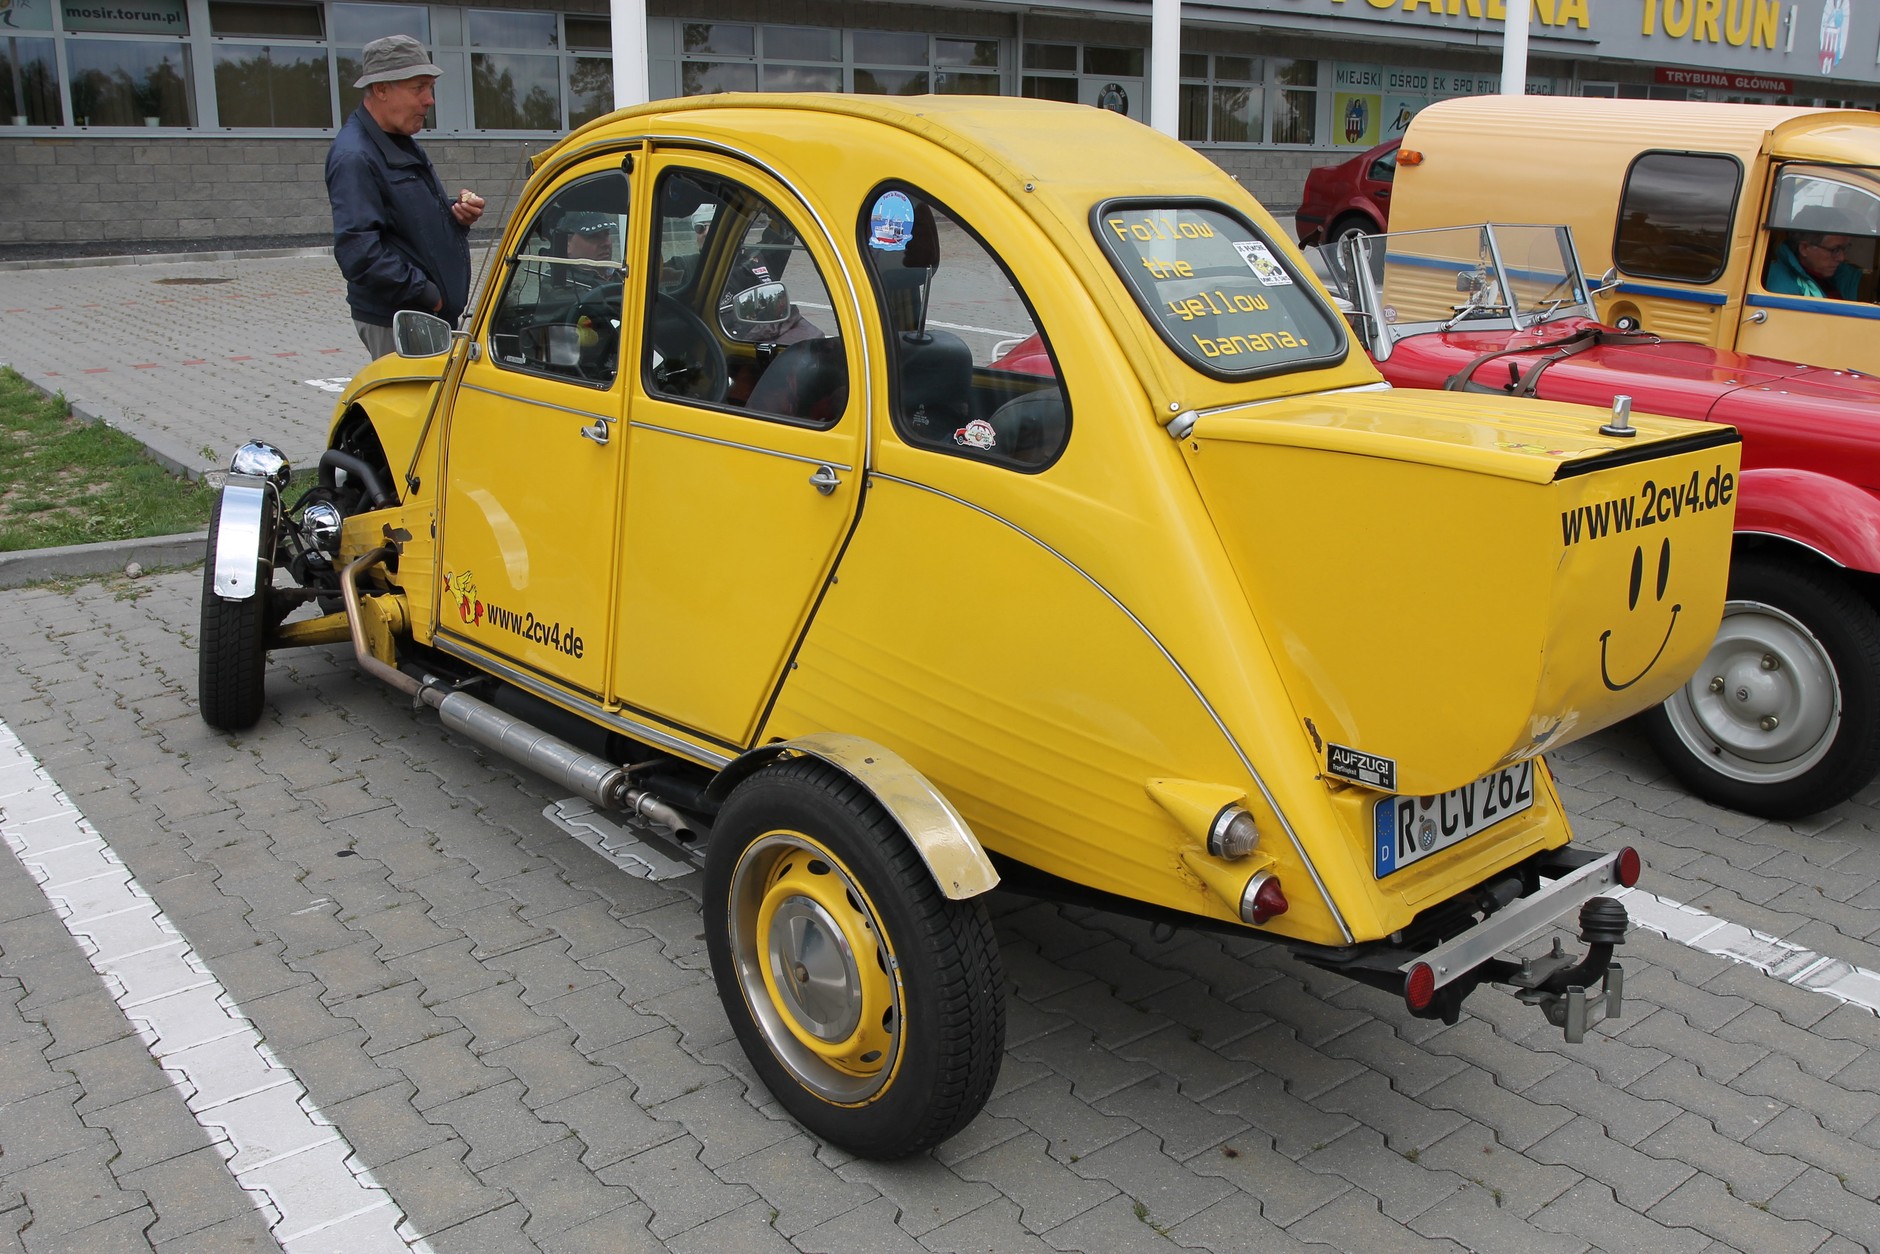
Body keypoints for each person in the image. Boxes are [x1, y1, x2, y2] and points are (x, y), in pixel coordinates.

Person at [326, 34, 487, 358]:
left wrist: (454, 215)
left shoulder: (398, 139)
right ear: (381, 89)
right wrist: (428, 295)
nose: (429, 100)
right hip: (401, 320)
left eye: (431, 88)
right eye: (419, 88)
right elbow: (359, 251)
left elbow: (406, 221)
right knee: (412, 408)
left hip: (422, 315)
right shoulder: (355, 155)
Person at [1765, 211, 1862, 300]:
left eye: (1844, 249)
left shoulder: (1840, 277)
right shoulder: (1782, 287)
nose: (1842, 258)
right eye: (1835, 250)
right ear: (1804, 248)